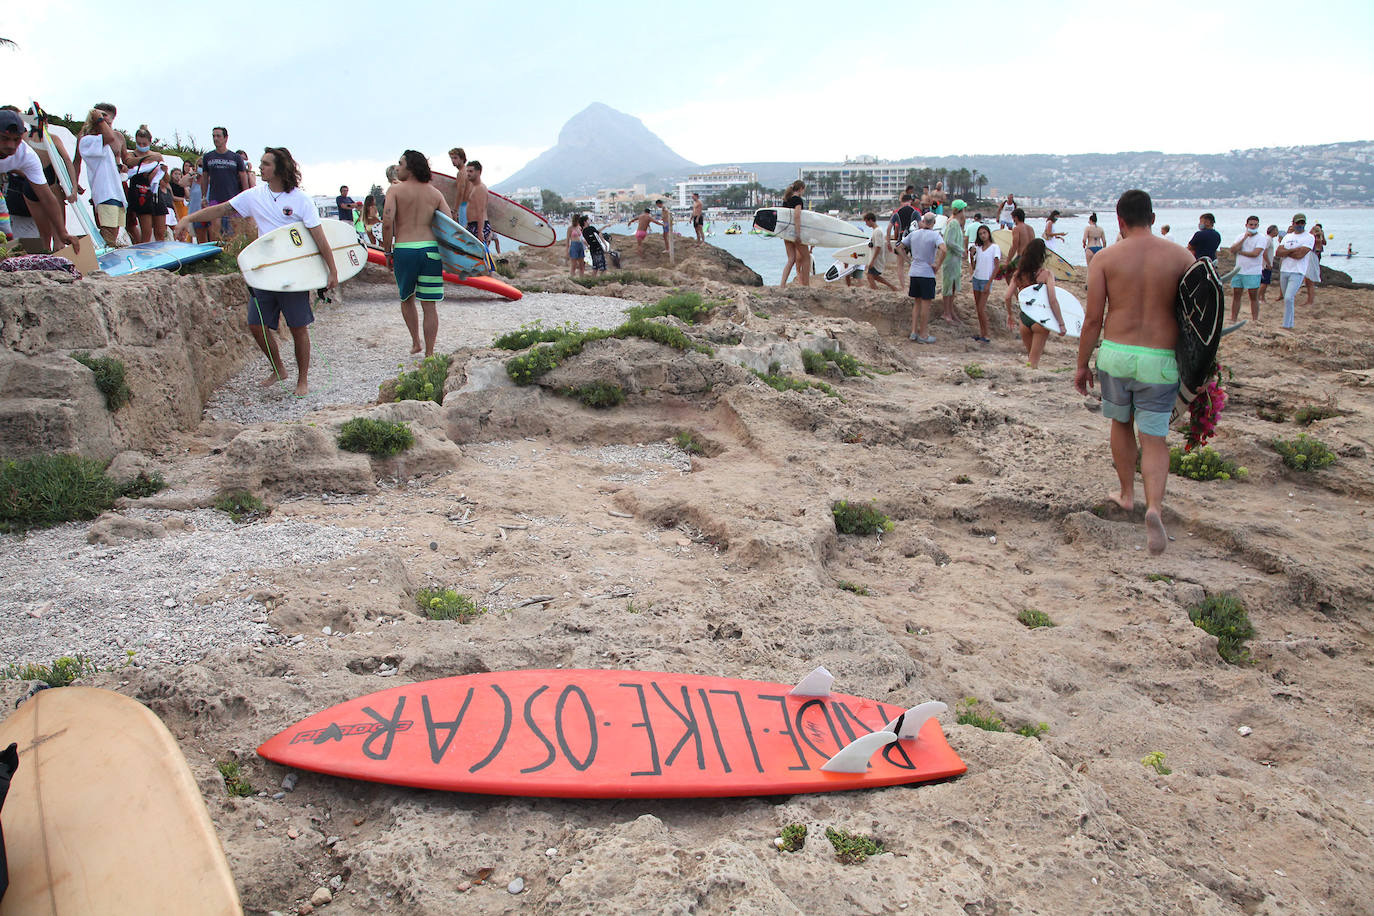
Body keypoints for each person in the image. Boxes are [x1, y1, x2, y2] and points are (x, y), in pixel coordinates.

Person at [1074, 189, 1194, 555]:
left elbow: (1093, 318)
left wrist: (1082, 364)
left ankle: (1127, 495)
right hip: (1160, 358)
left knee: (1121, 424)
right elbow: (1196, 319)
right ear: (1153, 218)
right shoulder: (1181, 257)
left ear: (1120, 221)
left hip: (1117, 354)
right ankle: (1153, 507)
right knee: (1155, 437)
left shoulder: (1105, 259)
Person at [174, 146, 338, 397]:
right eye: (261, 163)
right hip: (264, 271)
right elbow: (222, 209)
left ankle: (302, 379)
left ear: (280, 169)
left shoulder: (300, 200)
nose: (260, 168)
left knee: (298, 327)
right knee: (256, 324)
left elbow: (319, 237)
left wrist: (332, 271)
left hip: (293, 273)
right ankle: (278, 369)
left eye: (266, 164)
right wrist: (188, 219)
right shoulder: (254, 195)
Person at [382, 150, 451, 358]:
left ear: (410, 167)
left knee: (407, 298)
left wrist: (387, 252)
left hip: (405, 249)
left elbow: (387, 223)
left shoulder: (395, 191)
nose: (397, 168)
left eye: (401, 164)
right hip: (430, 251)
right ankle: (430, 354)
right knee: (429, 305)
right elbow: (449, 225)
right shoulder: (435, 193)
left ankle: (415, 342)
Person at [0, 110, 78, 253]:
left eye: (16, 139)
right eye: (4, 138)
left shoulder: (27, 154)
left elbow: (47, 197)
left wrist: (62, 232)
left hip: (34, 186)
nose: (11, 145)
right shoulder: (50, 140)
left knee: (5, 229)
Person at [1004, 239, 1065, 368]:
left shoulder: (1018, 274)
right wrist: (1061, 323)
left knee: (1030, 357)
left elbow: (1007, 296)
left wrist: (1010, 314)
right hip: (1040, 320)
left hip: (1024, 318)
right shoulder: (1046, 274)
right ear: (1042, 256)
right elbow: (1053, 300)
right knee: (1033, 361)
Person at [74, 103, 126, 247]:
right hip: (105, 193)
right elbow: (110, 137)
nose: (107, 126)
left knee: (113, 236)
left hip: (115, 192)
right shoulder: (87, 140)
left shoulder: (100, 142)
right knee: (108, 236)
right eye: (104, 123)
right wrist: (98, 119)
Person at [199, 126, 247, 241]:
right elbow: (204, 177)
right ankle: (216, 254)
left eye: (218, 136)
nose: (216, 139)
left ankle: (233, 253)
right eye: (213, 136)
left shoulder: (235, 158)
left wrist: (246, 196)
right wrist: (203, 196)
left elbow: (243, 177)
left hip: (233, 198)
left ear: (225, 138)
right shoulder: (208, 157)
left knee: (236, 229)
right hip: (215, 197)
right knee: (215, 228)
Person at [902, 211, 944, 343]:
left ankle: (914, 331)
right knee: (926, 304)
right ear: (934, 223)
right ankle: (923, 334)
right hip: (927, 273)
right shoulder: (935, 235)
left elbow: (899, 247)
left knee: (917, 303)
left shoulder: (914, 234)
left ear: (923, 221)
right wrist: (937, 265)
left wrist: (908, 260)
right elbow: (944, 249)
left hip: (914, 272)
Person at [124, 125, 168, 244]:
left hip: (155, 193)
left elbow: (166, 180)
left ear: (150, 142)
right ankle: (144, 255)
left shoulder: (157, 156)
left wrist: (164, 169)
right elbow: (128, 162)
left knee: (160, 232)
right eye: (139, 143)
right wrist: (149, 158)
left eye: (144, 144)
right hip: (140, 193)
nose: (141, 146)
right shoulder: (132, 155)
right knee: (146, 232)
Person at [1274, 213, 1314, 330]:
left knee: (1288, 297)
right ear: (1293, 223)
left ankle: (1287, 324)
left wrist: (1288, 251)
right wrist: (1294, 249)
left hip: (1298, 271)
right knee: (1286, 298)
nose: (1300, 225)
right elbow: (1278, 252)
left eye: (1302, 223)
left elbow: (1300, 255)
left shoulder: (1309, 237)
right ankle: (1289, 322)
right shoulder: (1287, 237)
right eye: (1298, 223)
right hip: (1285, 269)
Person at [1228, 215, 1265, 322]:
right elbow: (1233, 249)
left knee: (1253, 296)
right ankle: (1233, 318)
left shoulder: (1261, 238)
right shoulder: (1240, 236)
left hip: (1253, 271)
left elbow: (1255, 253)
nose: (1253, 227)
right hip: (1239, 270)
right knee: (1236, 295)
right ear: (1246, 225)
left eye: (1255, 225)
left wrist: (1240, 252)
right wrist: (1245, 238)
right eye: (1251, 225)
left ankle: (1255, 319)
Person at [968, 224, 1000, 342]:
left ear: (988, 233)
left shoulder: (994, 247)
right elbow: (975, 266)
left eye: (984, 233)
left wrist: (989, 282)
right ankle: (982, 333)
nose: (983, 235)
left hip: (986, 279)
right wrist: (972, 256)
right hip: (977, 278)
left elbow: (996, 267)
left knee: (981, 308)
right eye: (980, 234)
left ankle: (986, 334)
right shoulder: (979, 249)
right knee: (978, 308)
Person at [938, 199, 968, 322]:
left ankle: (950, 311)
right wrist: (961, 250)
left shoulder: (954, 222)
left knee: (953, 285)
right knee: (948, 286)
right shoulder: (953, 223)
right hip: (951, 259)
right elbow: (949, 242)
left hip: (954, 259)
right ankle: (947, 312)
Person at [778, 180, 809, 287]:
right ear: (801, 188)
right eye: (803, 189)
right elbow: (797, 216)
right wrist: (798, 234)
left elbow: (783, 217)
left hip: (786, 232)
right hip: (794, 232)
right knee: (806, 258)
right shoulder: (797, 200)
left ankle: (782, 285)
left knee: (791, 259)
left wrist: (782, 233)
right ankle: (806, 285)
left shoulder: (786, 200)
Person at [464, 160, 493, 253]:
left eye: (471, 171)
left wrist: (480, 232)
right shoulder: (474, 187)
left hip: (479, 226)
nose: (468, 174)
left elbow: (480, 210)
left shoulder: (480, 188)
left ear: (479, 172)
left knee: (478, 255)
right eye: (467, 171)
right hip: (473, 225)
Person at [861, 212, 896, 291]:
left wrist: (872, 260)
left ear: (870, 220)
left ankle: (875, 290)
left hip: (876, 258)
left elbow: (878, 246)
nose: (866, 224)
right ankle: (892, 287)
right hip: (875, 257)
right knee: (875, 276)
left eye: (866, 221)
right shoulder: (877, 230)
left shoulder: (877, 231)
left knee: (869, 276)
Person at [887, 193, 917, 275]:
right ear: (910, 201)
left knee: (900, 264)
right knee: (913, 261)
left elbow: (893, 227)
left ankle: (903, 286)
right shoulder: (915, 211)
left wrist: (891, 240)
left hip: (902, 237)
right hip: (913, 238)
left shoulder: (897, 212)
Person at [1005, 207, 1033, 284]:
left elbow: (1014, 246)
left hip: (1021, 257)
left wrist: (1008, 260)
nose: (1013, 220)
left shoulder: (1017, 229)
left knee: (1008, 275)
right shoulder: (1030, 228)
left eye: (1013, 218)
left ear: (1016, 218)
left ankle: (1017, 295)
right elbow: (1034, 244)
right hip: (1031, 257)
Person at [1304, 222, 1325, 306]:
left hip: (1311, 258)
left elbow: (1317, 249)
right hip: (1310, 257)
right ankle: (1309, 300)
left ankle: (1310, 300)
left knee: (1310, 281)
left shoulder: (1316, 239)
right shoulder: (1315, 238)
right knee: (1308, 281)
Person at [447, 148, 469, 225]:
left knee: (463, 234)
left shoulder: (461, 173)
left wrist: (455, 211)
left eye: (455, 158)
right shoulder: (468, 171)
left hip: (464, 207)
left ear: (462, 158)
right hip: (470, 206)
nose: (453, 160)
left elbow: (460, 192)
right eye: (451, 158)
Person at [1258, 224, 1279, 302]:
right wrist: (1268, 263)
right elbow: (1264, 251)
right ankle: (1258, 297)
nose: (1277, 232)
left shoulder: (1269, 239)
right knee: (1264, 282)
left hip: (1266, 263)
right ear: (1273, 231)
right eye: (1276, 230)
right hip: (1265, 264)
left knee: (1265, 282)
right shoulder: (1268, 239)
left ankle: (1262, 297)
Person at [567, 211, 586, 276]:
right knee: (574, 265)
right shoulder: (570, 228)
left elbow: (582, 238)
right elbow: (567, 239)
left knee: (582, 264)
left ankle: (582, 277)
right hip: (574, 245)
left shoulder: (580, 228)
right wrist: (567, 249)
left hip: (580, 245)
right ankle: (572, 277)